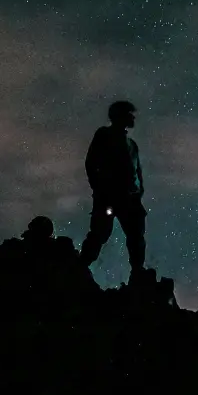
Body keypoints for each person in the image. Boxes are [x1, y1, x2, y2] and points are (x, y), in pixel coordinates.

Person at [80, 100, 147, 275]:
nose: (133, 117)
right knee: (100, 234)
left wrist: (139, 192)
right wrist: (99, 189)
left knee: (136, 237)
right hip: (108, 196)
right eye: (129, 114)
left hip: (129, 199)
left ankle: (137, 272)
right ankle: (80, 266)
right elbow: (91, 163)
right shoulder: (104, 134)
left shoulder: (132, 145)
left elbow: (137, 170)